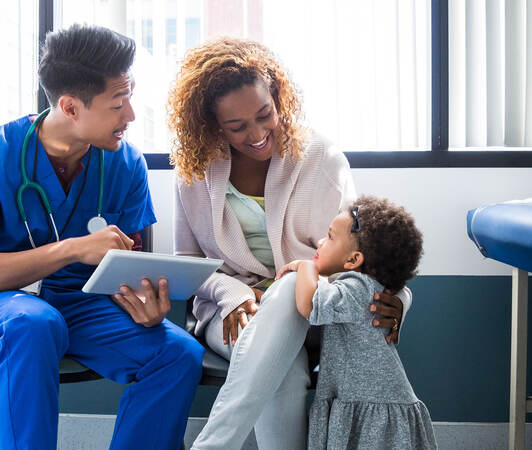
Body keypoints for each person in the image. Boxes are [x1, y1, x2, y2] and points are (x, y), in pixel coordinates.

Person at [0, 24, 203, 450]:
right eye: (118, 104)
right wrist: (73, 249)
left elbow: (130, 268)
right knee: (34, 324)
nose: (130, 115)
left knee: (177, 353)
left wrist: (145, 302)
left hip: (81, 305)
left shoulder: (125, 164)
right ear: (71, 107)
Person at [169, 37, 413, 450]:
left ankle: (213, 444)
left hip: (315, 308)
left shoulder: (322, 159)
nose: (258, 133)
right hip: (233, 312)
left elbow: (362, 246)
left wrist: (402, 299)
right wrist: (230, 293)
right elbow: (188, 264)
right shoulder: (194, 172)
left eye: (265, 115)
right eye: (237, 127)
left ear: (278, 98)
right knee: (284, 368)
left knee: (287, 287)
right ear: (212, 125)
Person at [275, 196, 437, 450]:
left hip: (371, 406)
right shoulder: (365, 286)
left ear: (353, 261)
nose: (320, 242)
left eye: (329, 237)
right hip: (360, 399)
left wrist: (305, 266)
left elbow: (310, 305)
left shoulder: (357, 287)